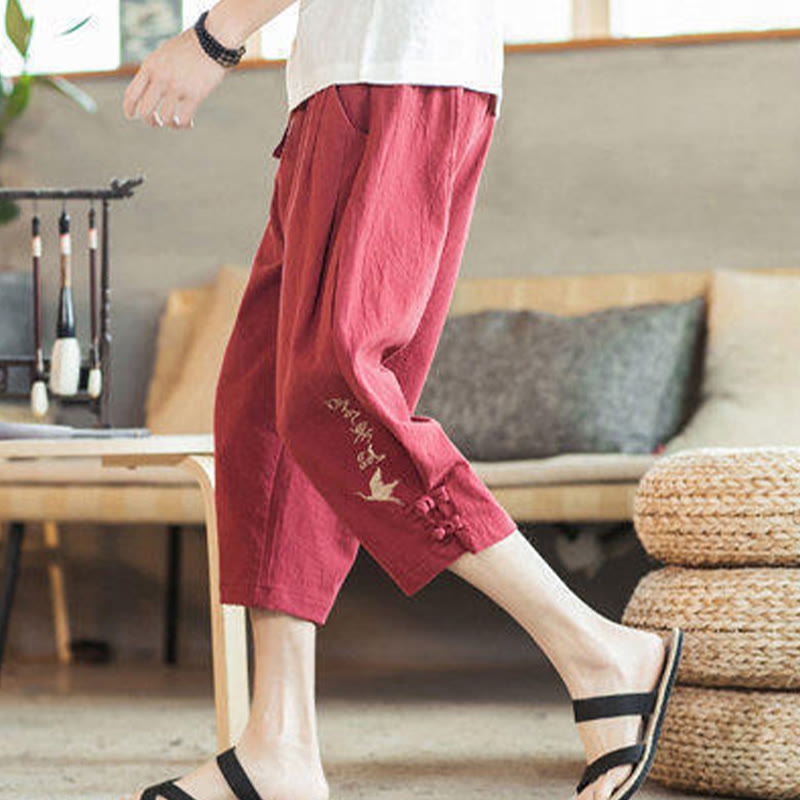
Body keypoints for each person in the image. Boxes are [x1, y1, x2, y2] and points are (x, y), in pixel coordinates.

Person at [121, 2, 683, 800]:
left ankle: (597, 650)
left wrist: (217, 34)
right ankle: (279, 744)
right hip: (347, 79)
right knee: (263, 411)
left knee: (332, 388)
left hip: (397, 66)